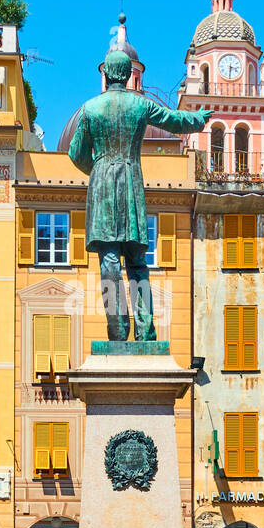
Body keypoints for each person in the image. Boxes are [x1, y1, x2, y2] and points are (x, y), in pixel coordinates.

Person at [69, 48, 211, 340]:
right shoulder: (140, 105)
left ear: (106, 75)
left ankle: (117, 330)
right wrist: (198, 119)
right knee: (137, 263)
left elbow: (75, 153)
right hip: (132, 187)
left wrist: (97, 169)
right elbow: (174, 120)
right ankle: (145, 331)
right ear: (127, 74)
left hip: (103, 189)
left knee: (109, 263)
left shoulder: (89, 109)